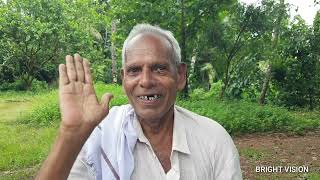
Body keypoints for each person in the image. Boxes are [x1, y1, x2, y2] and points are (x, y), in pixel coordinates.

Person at [36, 24, 242, 180]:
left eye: (159, 68)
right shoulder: (100, 135)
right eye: (134, 70)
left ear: (180, 76)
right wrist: (71, 133)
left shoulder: (213, 139)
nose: (145, 81)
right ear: (124, 78)